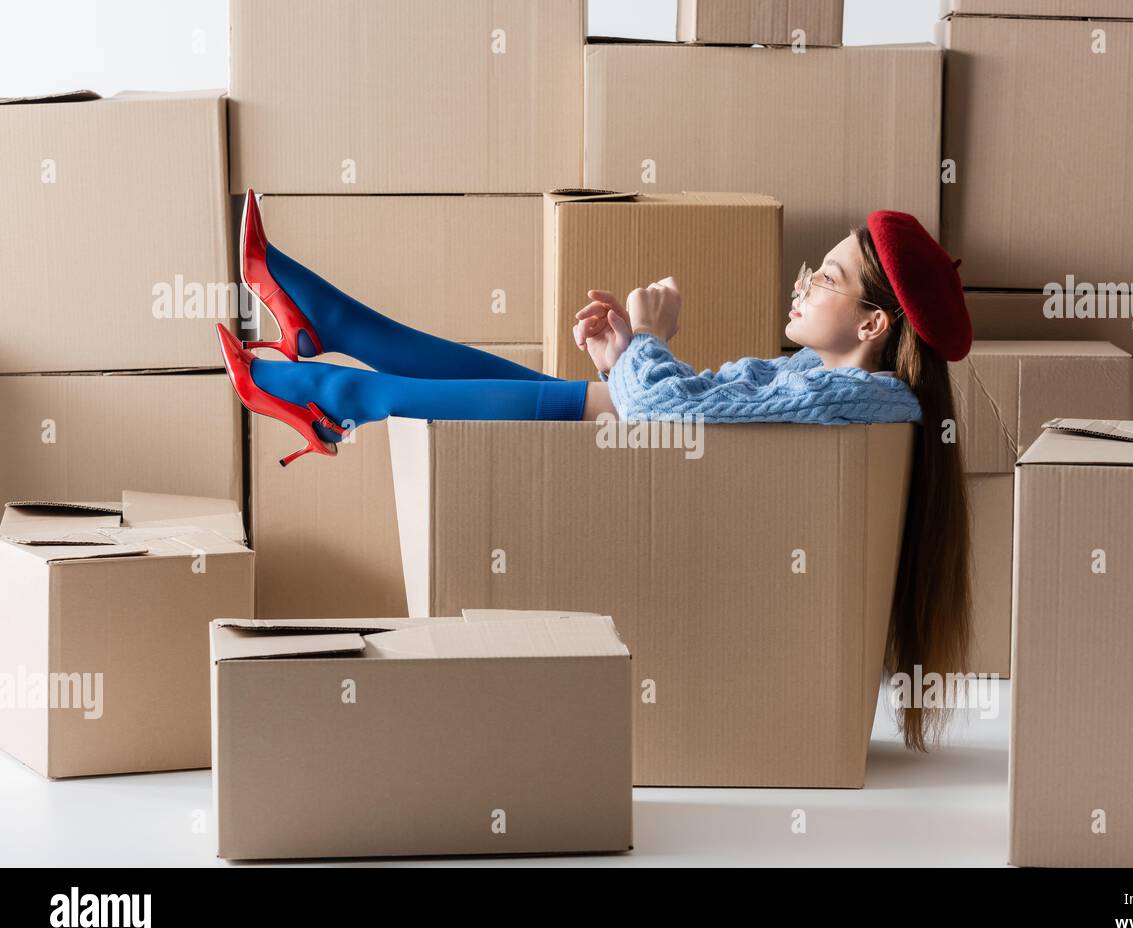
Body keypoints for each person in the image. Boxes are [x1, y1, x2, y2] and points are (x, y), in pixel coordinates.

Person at [217, 190, 975, 751]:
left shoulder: (856, 397)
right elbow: (700, 403)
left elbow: (669, 420)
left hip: (658, 495)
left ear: (873, 323)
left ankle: (332, 386)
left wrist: (647, 337)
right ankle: (328, 334)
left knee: (523, 395)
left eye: (827, 277)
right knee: (521, 385)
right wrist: (627, 355)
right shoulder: (822, 380)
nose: (804, 282)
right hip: (642, 456)